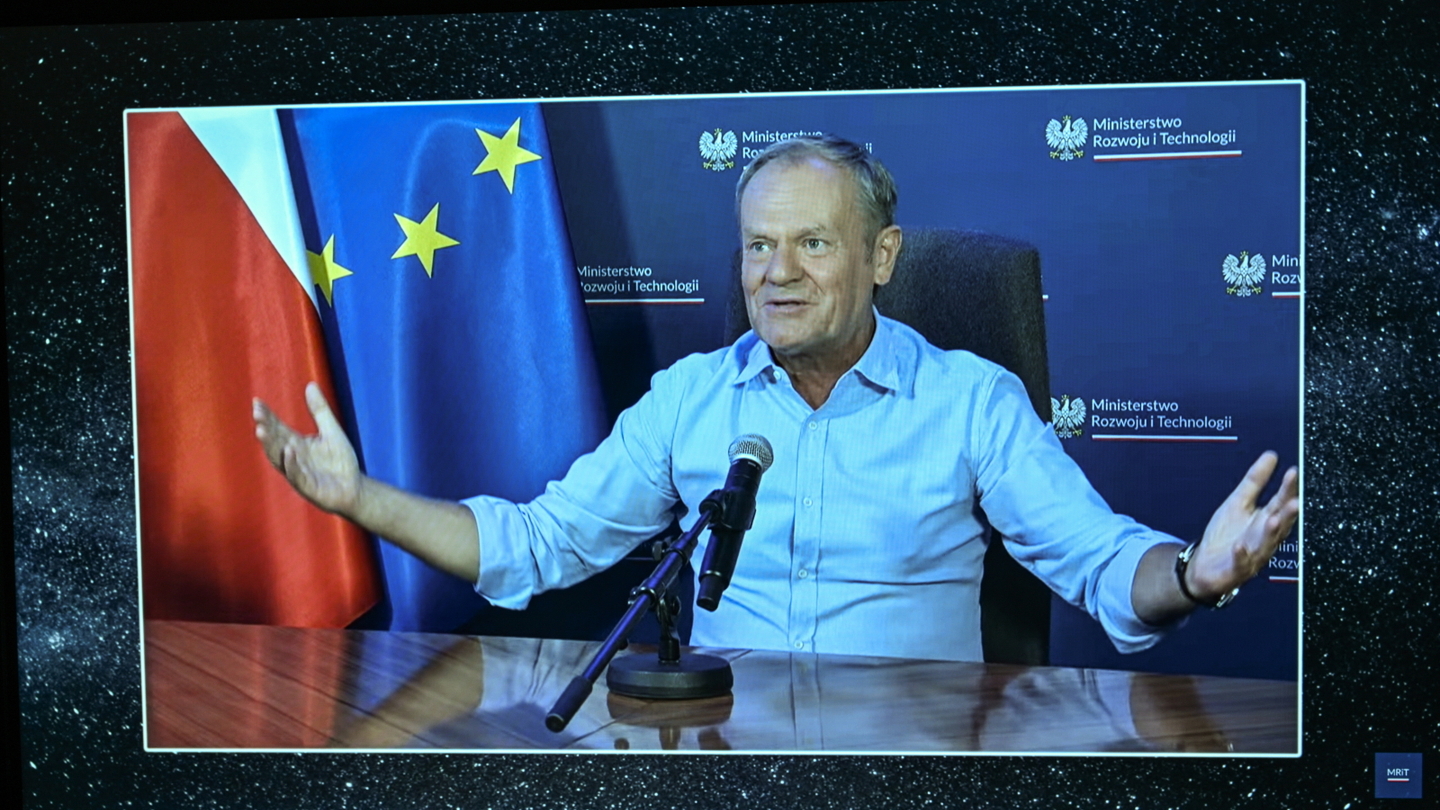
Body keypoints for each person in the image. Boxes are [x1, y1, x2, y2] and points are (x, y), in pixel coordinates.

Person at [254, 135, 1299, 662]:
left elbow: (1103, 563)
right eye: (758, 246)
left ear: (882, 256)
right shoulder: (691, 400)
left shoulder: (971, 401)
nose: (777, 274)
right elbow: (537, 545)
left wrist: (1194, 575)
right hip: (724, 754)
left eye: (812, 244)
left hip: (912, 765)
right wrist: (359, 500)